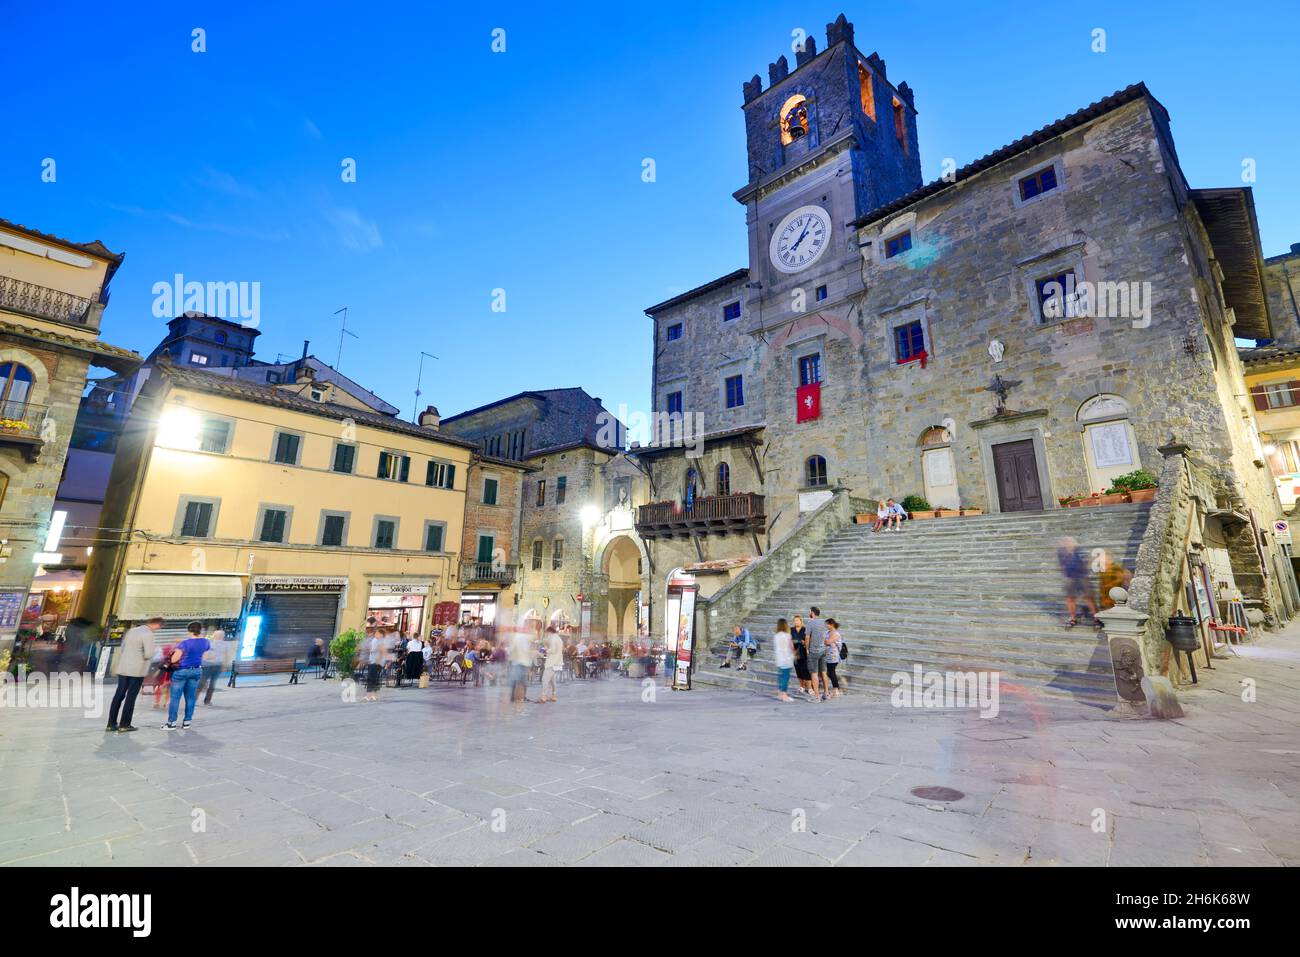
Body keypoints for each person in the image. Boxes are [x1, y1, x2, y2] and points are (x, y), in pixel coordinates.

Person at [106, 617, 161, 733]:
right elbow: (149, 654)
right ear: (156, 624)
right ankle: (124, 724)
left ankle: (111, 723)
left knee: (119, 695)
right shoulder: (148, 634)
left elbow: (123, 648)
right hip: (137, 670)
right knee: (131, 697)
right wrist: (155, 651)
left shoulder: (132, 631)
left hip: (124, 667)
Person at [163, 621, 210, 730]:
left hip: (182, 672)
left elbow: (174, 659)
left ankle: (172, 723)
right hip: (197, 671)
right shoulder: (206, 642)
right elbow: (205, 657)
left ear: (189, 630)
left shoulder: (184, 643)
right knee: (190, 697)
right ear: (200, 630)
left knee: (175, 698)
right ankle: (187, 722)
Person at [1058, 536, 1099, 627]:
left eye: (1069, 541)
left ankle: (1097, 618)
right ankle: (1073, 618)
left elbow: (1086, 562)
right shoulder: (1061, 551)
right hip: (1070, 577)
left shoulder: (1080, 550)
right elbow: (1062, 564)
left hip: (1082, 576)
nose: (1067, 543)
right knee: (1070, 598)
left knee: (1089, 597)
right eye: (1065, 542)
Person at [198, 620, 229, 705]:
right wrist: (206, 657)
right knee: (201, 683)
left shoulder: (225, 645)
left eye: (222, 635)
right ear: (214, 636)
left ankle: (207, 701)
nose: (220, 637)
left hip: (217, 666)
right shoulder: (209, 643)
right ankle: (194, 699)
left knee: (212, 684)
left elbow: (226, 655)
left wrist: (224, 665)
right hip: (207, 666)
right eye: (218, 635)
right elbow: (203, 654)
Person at [806, 606, 830, 701]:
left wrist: (807, 649)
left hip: (814, 651)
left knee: (814, 673)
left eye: (810, 611)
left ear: (812, 613)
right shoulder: (823, 623)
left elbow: (807, 637)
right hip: (823, 650)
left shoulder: (810, 623)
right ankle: (826, 693)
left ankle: (816, 697)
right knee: (823, 672)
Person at [507, 627, 533, 715]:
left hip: (521, 664)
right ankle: (519, 707)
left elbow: (527, 653)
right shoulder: (519, 637)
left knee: (521, 685)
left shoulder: (523, 638)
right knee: (520, 686)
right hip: (519, 664)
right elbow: (512, 650)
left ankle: (519, 706)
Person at [539, 626, 564, 703]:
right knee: (553, 680)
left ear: (549, 632)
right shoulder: (559, 639)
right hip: (557, 662)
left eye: (547, 633)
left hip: (552, 662)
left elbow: (553, 650)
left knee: (545, 679)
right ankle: (554, 695)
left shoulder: (553, 639)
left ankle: (544, 696)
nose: (547, 635)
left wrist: (545, 650)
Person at [773, 618, 795, 702]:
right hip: (787, 658)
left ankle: (780, 693)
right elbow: (791, 647)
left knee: (780, 676)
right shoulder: (787, 635)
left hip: (779, 658)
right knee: (786, 677)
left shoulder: (776, 635)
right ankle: (784, 695)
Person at [790, 615, 812, 694]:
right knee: (798, 670)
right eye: (795, 621)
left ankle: (809, 688)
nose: (796, 622)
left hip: (804, 652)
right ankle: (802, 686)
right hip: (795, 652)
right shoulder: (791, 629)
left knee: (805, 670)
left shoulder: (805, 629)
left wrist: (804, 643)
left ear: (801, 621)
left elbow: (809, 640)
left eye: (798, 620)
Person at [824, 617, 843, 698]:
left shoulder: (836, 633)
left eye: (827, 624)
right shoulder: (828, 632)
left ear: (831, 624)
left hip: (834, 656)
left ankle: (836, 690)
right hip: (828, 655)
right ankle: (836, 688)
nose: (826, 626)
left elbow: (827, 641)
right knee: (830, 672)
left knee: (831, 672)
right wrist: (826, 641)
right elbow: (824, 641)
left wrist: (826, 641)